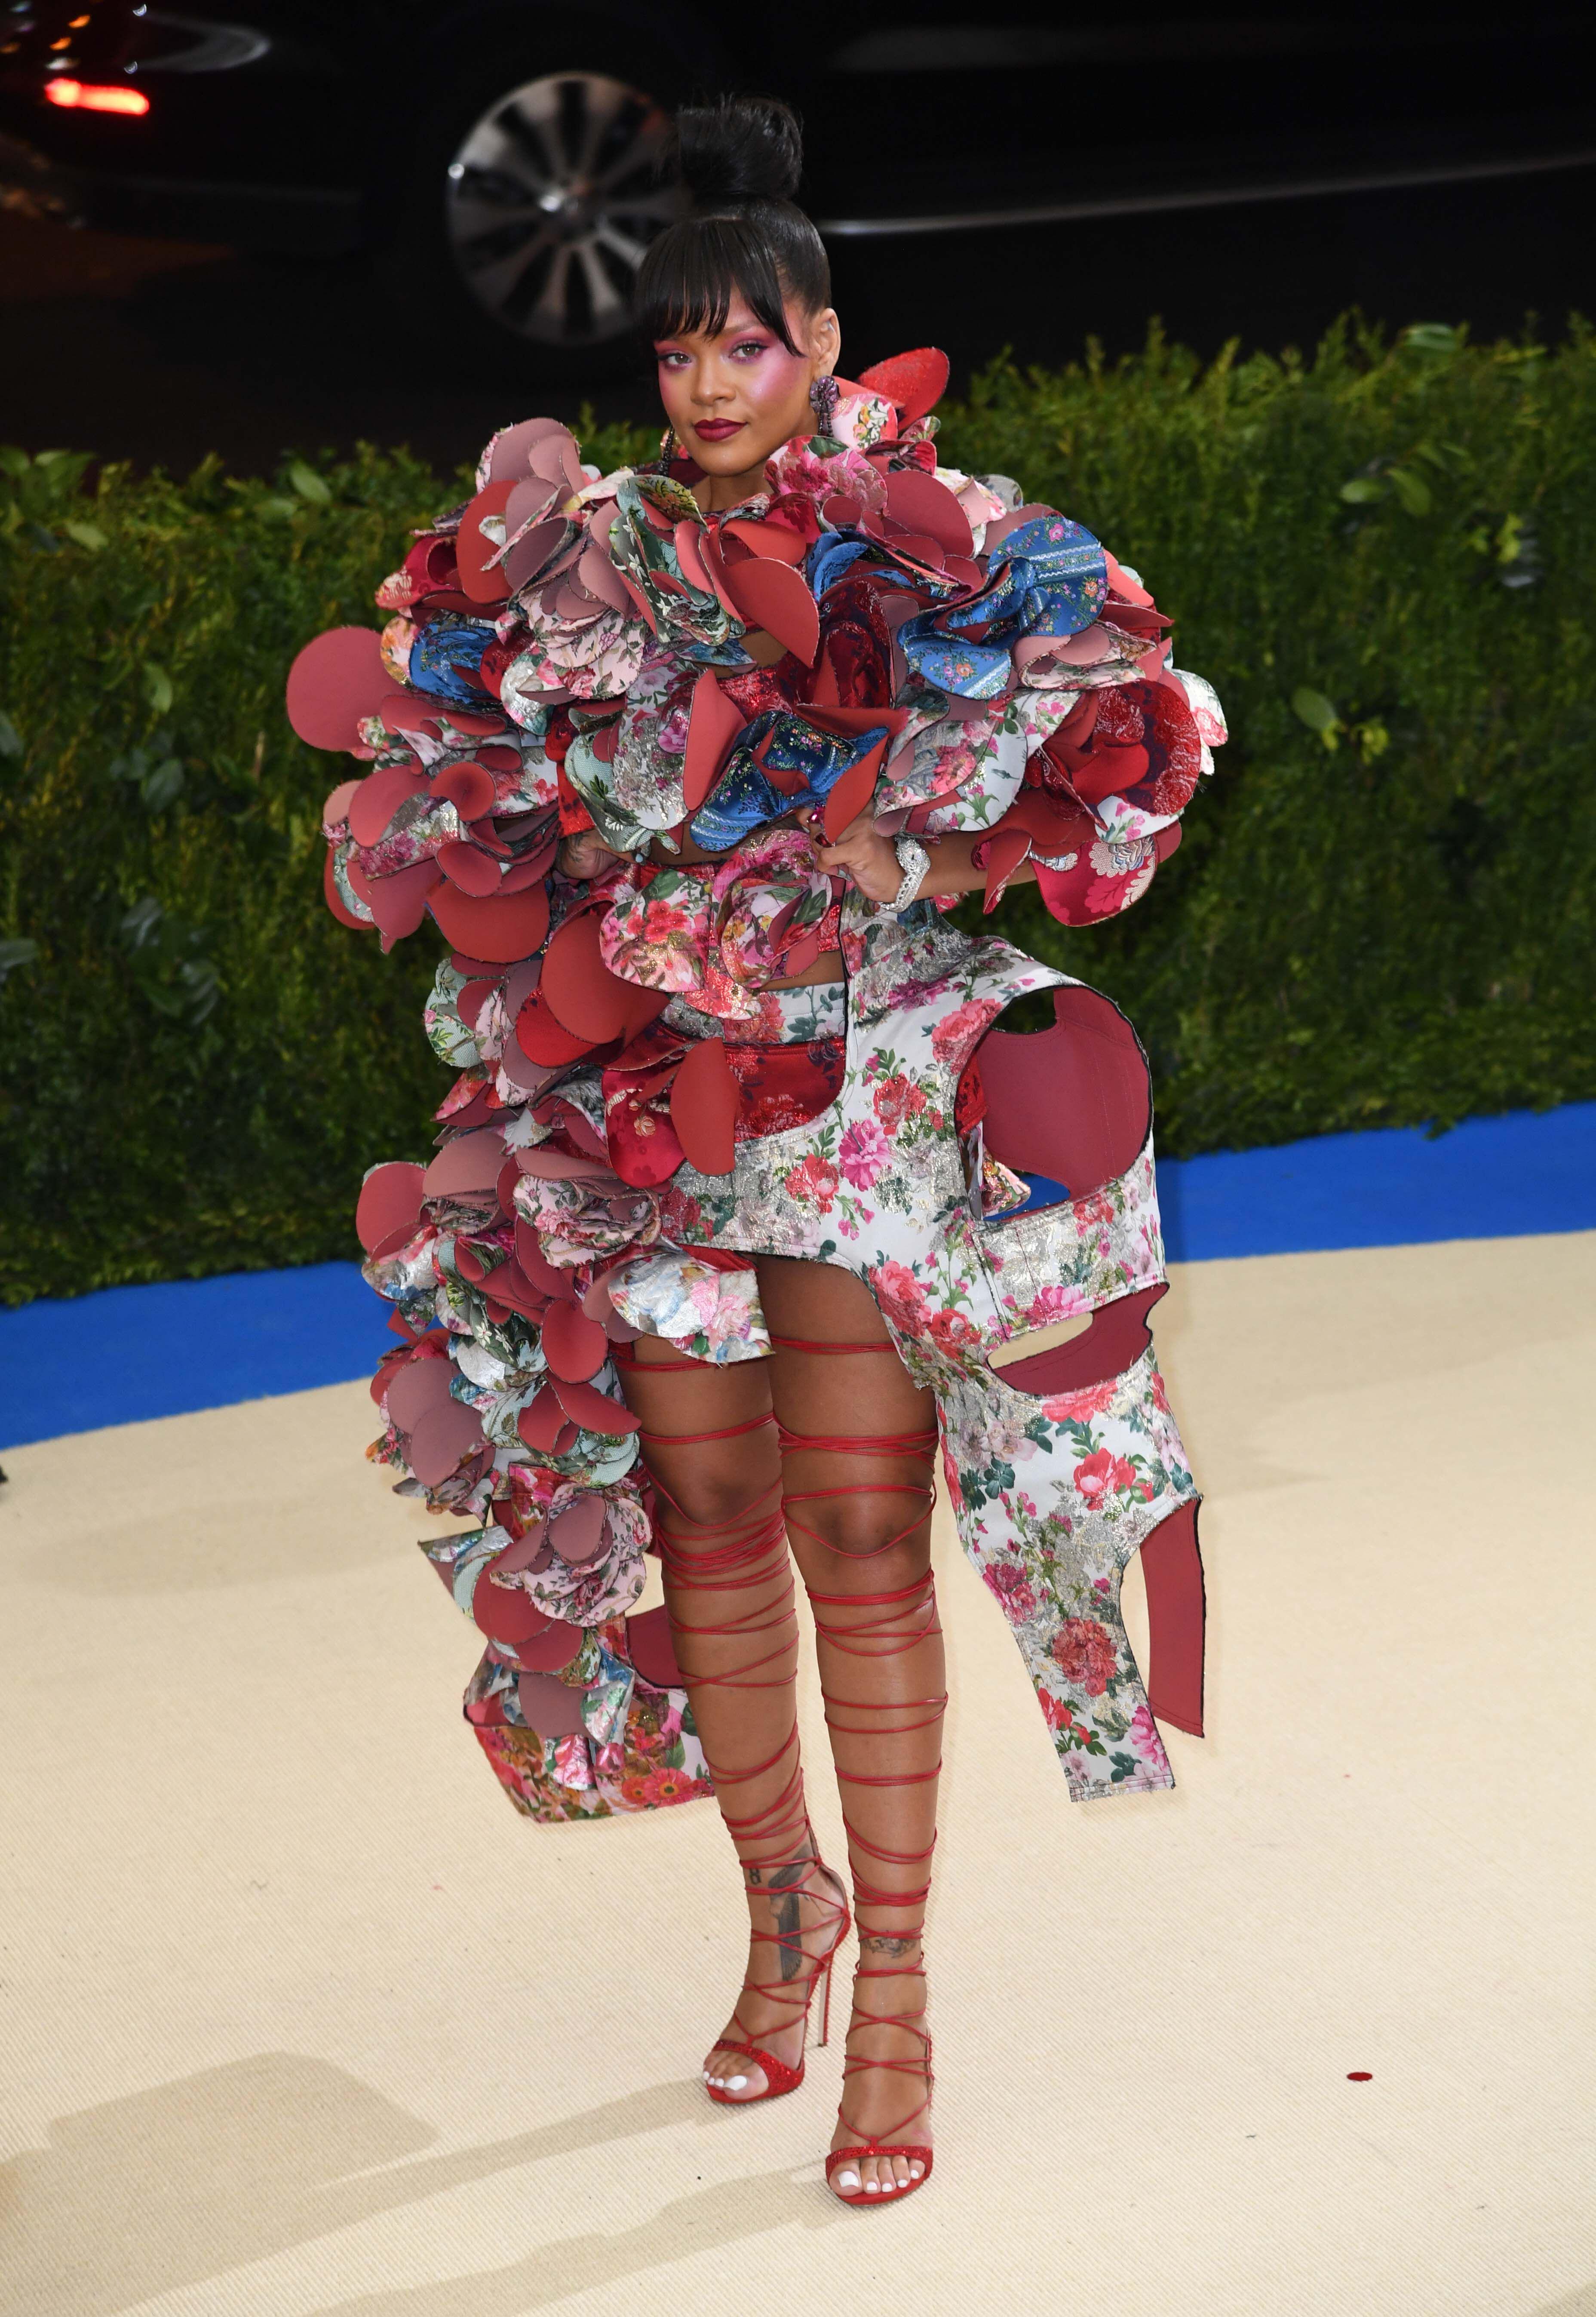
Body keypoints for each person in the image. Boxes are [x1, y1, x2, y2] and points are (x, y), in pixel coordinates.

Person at [288, 94, 1225, 2208]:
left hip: (853, 1089)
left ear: (820, 334)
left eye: (742, 341)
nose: (705, 383)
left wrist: (938, 836)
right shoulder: (583, 552)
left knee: (860, 1538)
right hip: (643, 1098)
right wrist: (500, 847)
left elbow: (1129, 718)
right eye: (673, 353)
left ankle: (892, 1995)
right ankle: (778, 1905)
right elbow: (459, 755)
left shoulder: (943, 526)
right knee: (703, 1505)